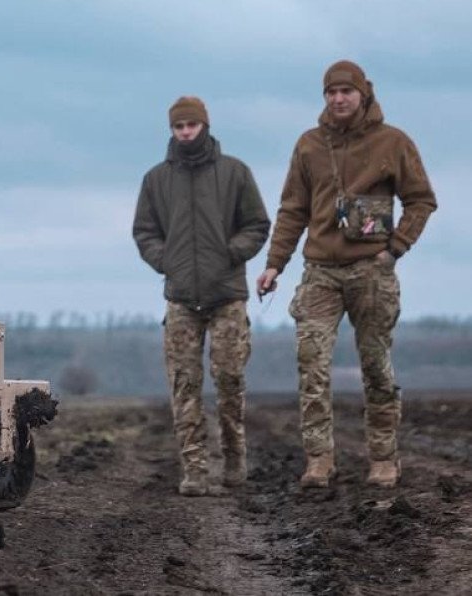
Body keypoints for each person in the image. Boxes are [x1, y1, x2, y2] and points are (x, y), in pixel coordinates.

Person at [257, 60, 437, 489]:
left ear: (363, 94)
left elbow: (421, 200)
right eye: (331, 92)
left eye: (346, 92)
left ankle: (383, 459)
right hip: (319, 270)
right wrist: (274, 264)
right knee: (311, 364)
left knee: (375, 365)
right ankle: (319, 459)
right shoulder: (308, 145)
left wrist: (395, 248)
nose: (338, 99)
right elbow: (292, 210)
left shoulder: (393, 142)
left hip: (370, 271)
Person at [134, 96, 270, 496]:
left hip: (227, 295)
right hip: (180, 299)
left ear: (205, 126)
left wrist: (231, 253)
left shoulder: (234, 173)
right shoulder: (156, 179)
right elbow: (145, 232)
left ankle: (233, 460)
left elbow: (257, 223)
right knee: (184, 385)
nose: (186, 132)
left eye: (192, 125)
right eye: (179, 127)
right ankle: (194, 469)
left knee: (229, 381)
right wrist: (166, 261)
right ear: (172, 131)